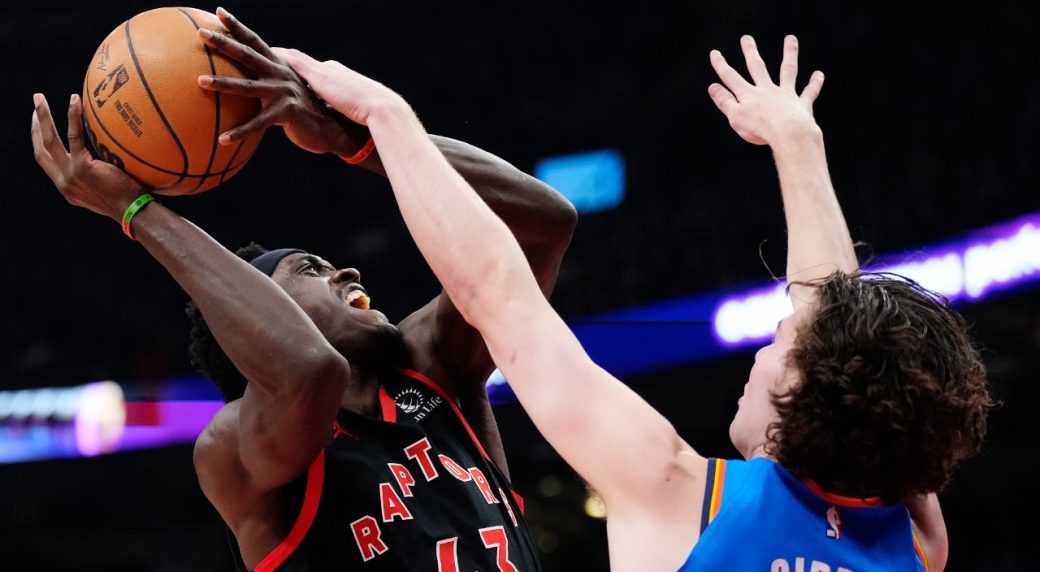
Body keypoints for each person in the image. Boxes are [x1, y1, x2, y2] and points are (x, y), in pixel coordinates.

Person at [283, 33, 995, 571]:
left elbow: (500, 296)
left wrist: (383, 116)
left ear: (796, 401)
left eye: (779, 346)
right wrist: (796, 142)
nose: (763, 347)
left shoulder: (683, 497)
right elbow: (842, 339)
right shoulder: (913, 538)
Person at [31, 8, 576, 570]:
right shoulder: (235, 452)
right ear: (264, 316)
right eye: (311, 270)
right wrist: (134, 209)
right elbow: (310, 370)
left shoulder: (432, 368)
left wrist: (353, 139)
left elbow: (543, 224)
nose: (348, 274)